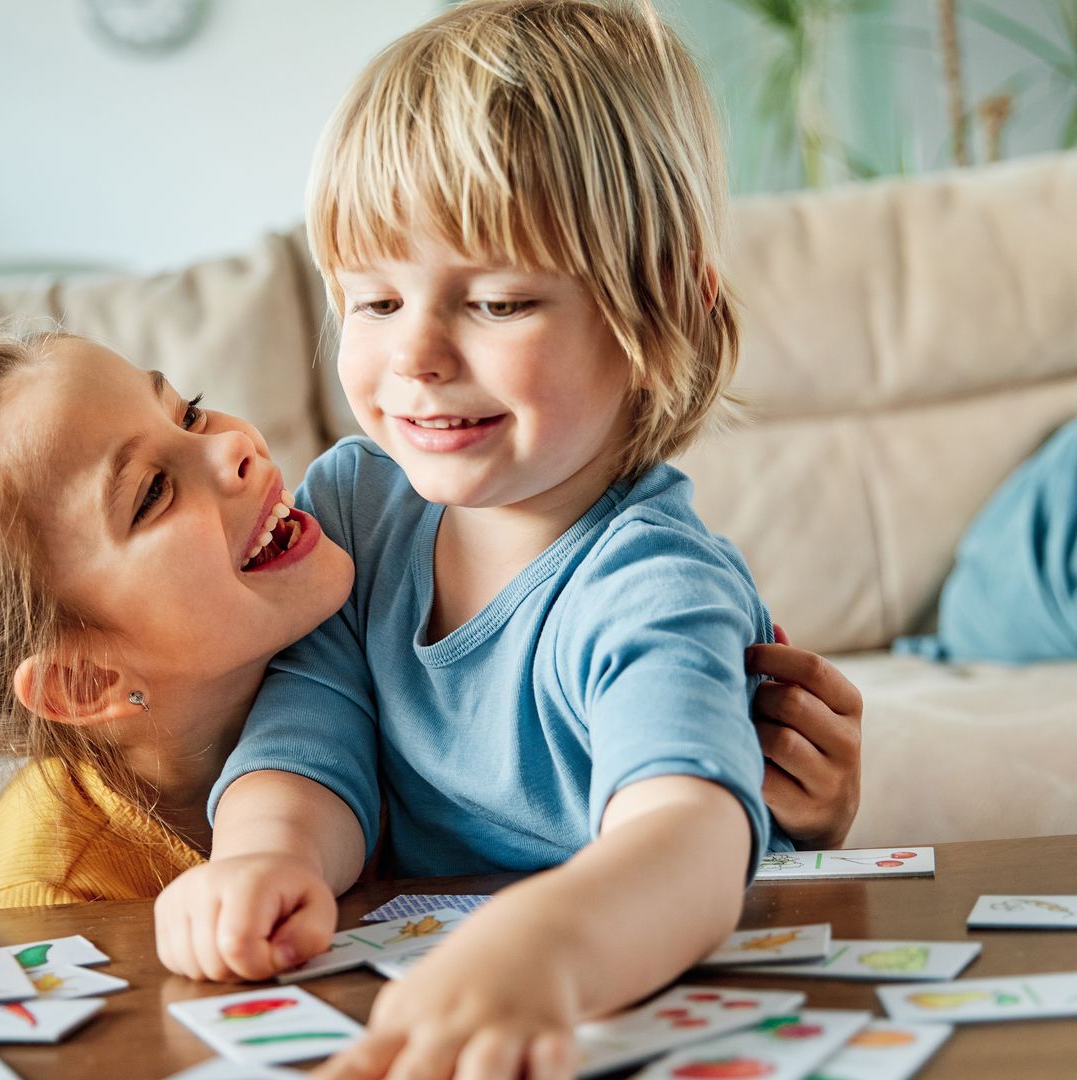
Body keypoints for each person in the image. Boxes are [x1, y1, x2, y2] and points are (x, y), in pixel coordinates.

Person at [152, 2, 829, 1076]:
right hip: (421, 1006)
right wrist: (266, 857)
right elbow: (312, 730)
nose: (414, 354)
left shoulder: (653, 579)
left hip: (611, 1008)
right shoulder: (357, 506)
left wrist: (544, 952)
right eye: (372, 300)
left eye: (501, 301)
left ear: (665, 320)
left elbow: (690, 838)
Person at [0, 332, 859, 926]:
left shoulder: (393, 601)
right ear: (78, 681)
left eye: (187, 407)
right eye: (151, 493)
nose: (233, 449)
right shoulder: (55, 894)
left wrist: (777, 809)